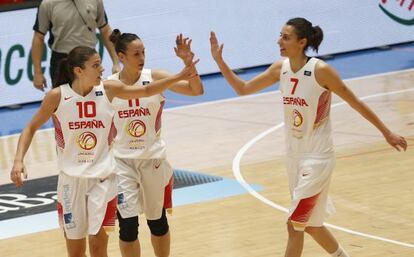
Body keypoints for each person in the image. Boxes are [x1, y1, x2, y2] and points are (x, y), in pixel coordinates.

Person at [209, 17, 407, 257]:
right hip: (294, 158)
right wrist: (220, 61)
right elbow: (243, 89)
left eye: (286, 37)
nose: (279, 41)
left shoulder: (320, 70)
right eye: (280, 35)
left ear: (302, 42)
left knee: (294, 225)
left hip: (318, 159)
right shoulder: (279, 68)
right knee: (311, 225)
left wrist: (387, 132)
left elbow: (354, 102)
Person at [10, 45, 198, 257]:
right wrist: (18, 160)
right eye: (96, 65)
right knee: (76, 251)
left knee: (99, 246)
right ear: (79, 71)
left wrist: (179, 76)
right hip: (71, 182)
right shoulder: (57, 96)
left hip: (104, 180)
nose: (102, 69)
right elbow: (30, 127)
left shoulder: (109, 89)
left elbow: (146, 90)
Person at [108, 30, 203, 257]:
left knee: (157, 221)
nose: (142, 58)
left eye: (143, 52)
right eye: (136, 53)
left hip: (153, 160)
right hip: (121, 162)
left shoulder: (156, 76)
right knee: (128, 227)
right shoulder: (108, 86)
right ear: (121, 56)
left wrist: (188, 64)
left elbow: (196, 90)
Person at [32, 0, 121, 91]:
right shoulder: (47, 3)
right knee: (62, 101)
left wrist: (116, 62)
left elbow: (105, 30)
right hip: (61, 60)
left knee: (94, 97)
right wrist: (37, 72)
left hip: (89, 58)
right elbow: (39, 37)